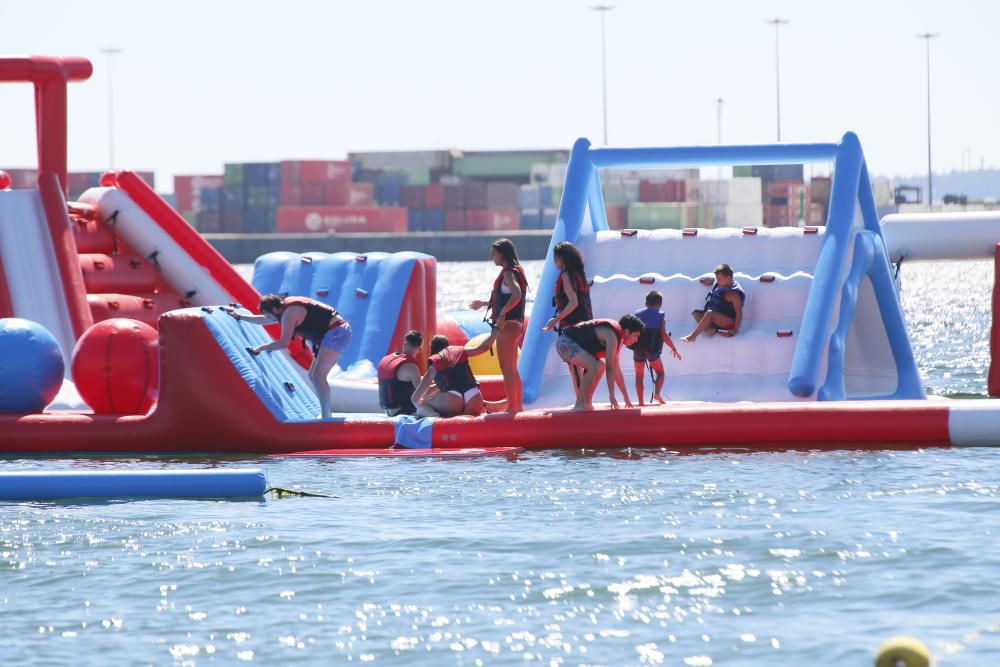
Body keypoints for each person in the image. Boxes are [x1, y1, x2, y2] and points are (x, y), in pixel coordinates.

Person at [224, 294, 350, 420]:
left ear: (274, 310)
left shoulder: (289, 313)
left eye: (269, 314)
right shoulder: (283, 308)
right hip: (334, 332)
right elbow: (265, 320)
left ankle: (326, 416)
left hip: (337, 333)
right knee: (313, 376)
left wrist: (260, 348)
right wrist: (240, 316)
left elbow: (284, 343)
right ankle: (326, 414)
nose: (269, 318)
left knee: (318, 376)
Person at [469, 238, 527, 413]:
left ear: (502, 254)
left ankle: (512, 408)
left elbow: (516, 295)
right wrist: (485, 303)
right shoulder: (515, 271)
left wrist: (502, 314)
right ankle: (517, 406)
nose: (491, 257)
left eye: (494, 254)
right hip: (515, 325)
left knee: (506, 368)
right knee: (512, 368)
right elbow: (506, 298)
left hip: (507, 325)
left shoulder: (509, 273)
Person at [556, 314, 643, 411]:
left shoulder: (617, 339)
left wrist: (626, 398)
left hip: (571, 344)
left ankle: (587, 401)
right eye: (636, 336)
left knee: (601, 364)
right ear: (626, 332)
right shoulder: (612, 336)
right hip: (565, 343)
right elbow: (610, 369)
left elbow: (616, 370)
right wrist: (612, 396)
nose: (636, 340)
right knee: (593, 365)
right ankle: (579, 404)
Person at [542, 241, 594, 393]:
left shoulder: (566, 275)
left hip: (573, 326)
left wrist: (555, 320)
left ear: (562, 258)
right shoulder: (579, 274)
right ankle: (585, 400)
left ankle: (580, 402)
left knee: (574, 366)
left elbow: (573, 302)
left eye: (555, 258)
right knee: (583, 365)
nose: (554, 261)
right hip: (586, 324)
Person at [412, 332, 499, 418]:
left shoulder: (435, 362)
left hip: (452, 401)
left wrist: (424, 399)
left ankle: (436, 417)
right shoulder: (460, 351)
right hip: (474, 397)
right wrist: (497, 329)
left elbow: (415, 399)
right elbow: (484, 347)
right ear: (448, 345)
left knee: (421, 405)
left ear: (432, 349)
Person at [629, 291, 682, 405]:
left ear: (646, 303)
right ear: (660, 304)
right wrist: (674, 348)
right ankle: (657, 394)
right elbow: (663, 335)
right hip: (651, 349)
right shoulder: (660, 316)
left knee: (639, 376)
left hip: (638, 349)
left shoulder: (637, 314)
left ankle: (641, 402)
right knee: (660, 373)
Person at [682, 264, 745, 342]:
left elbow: (739, 313)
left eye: (719, 279)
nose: (717, 281)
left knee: (709, 313)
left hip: (728, 322)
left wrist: (735, 330)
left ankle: (693, 336)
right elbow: (717, 284)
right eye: (716, 279)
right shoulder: (721, 284)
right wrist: (709, 281)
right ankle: (709, 330)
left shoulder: (734, 295)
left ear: (728, 278)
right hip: (717, 317)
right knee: (696, 313)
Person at [377, 330, 424, 416]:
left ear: (404, 344)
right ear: (420, 349)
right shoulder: (411, 367)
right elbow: (422, 394)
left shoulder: (385, 360)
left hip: (387, 411)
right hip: (403, 411)